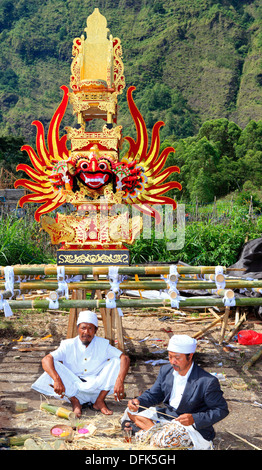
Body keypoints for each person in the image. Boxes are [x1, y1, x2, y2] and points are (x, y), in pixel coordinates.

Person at [121, 334, 229, 450]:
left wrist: (194, 418)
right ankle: (154, 433)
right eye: (170, 357)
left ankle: (142, 432)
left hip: (190, 427)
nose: (173, 361)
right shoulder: (166, 370)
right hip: (166, 417)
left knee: (167, 439)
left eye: (177, 358)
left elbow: (221, 410)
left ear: (190, 356)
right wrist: (138, 401)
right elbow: (154, 394)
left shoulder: (206, 381)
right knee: (130, 411)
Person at [31, 310, 130, 417]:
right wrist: (57, 379)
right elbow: (46, 359)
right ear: (78, 328)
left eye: (90, 328)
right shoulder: (67, 344)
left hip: (96, 387)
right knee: (52, 364)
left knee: (117, 361)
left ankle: (99, 401)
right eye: (83, 328)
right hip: (72, 388)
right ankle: (75, 401)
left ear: (96, 330)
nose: (86, 332)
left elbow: (125, 358)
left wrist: (120, 381)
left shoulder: (103, 344)